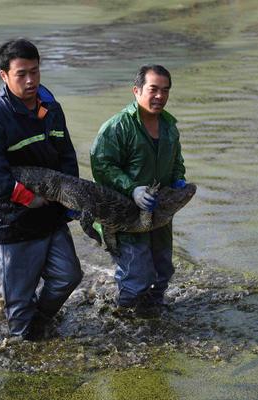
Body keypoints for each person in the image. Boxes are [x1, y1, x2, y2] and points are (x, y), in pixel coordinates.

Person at [0, 39, 83, 340]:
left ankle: (40, 322)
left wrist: (68, 199)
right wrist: (26, 197)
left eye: (35, 71)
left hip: (50, 214)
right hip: (13, 219)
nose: (30, 80)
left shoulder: (51, 108)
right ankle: (22, 347)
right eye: (21, 74)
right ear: (4, 76)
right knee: (19, 301)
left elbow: (67, 157)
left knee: (69, 276)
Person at [90, 64, 186, 317]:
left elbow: (177, 161)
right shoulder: (117, 127)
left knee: (163, 270)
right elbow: (101, 164)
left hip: (159, 212)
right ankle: (124, 318)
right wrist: (132, 189)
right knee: (137, 275)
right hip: (124, 214)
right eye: (153, 89)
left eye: (165, 91)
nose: (160, 96)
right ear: (136, 90)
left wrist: (179, 181)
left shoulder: (169, 126)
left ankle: (152, 314)